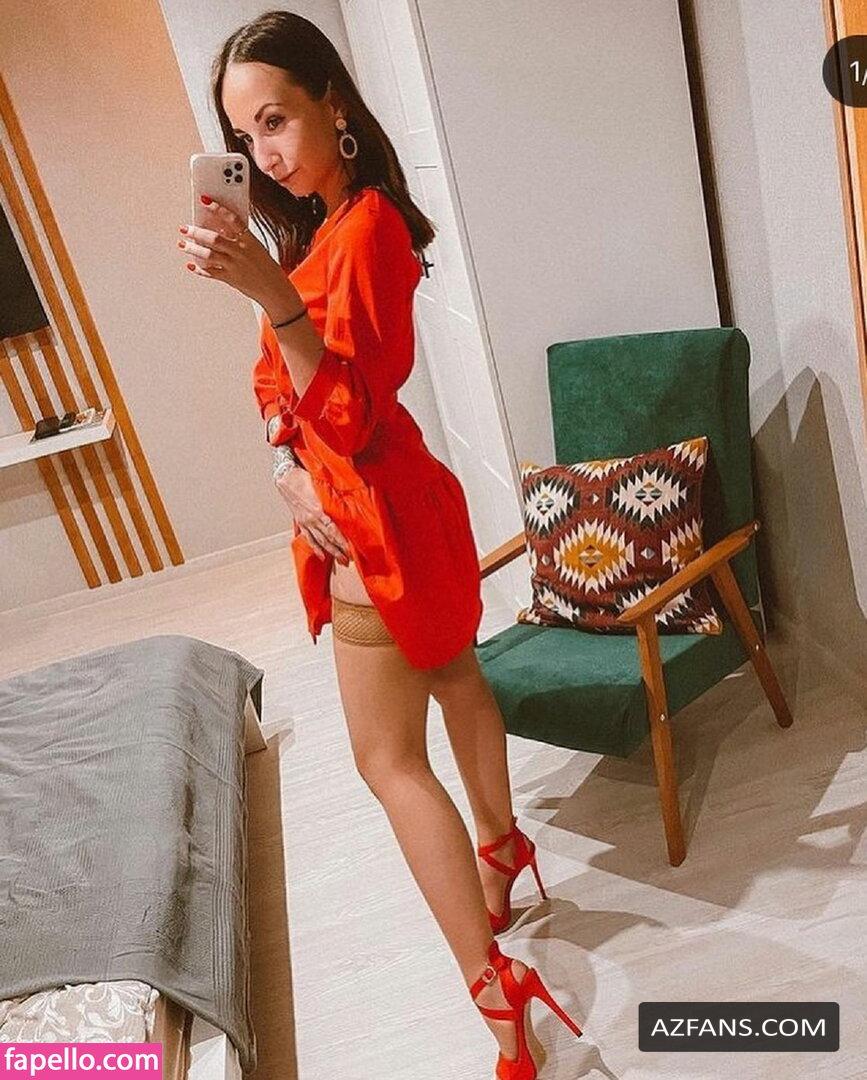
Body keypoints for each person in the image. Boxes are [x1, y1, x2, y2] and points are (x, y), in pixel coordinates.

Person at [176, 11, 583, 1075]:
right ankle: (502, 852)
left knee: (387, 760)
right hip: (395, 503)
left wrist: (273, 300)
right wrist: (285, 464)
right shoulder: (317, 231)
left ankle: (496, 991)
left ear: (333, 103)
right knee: (454, 676)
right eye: (244, 136)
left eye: (276, 120)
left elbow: (353, 411)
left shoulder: (365, 233)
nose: (264, 153)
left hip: (379, 521)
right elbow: (280, 389)